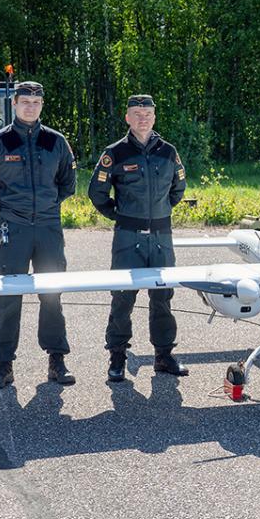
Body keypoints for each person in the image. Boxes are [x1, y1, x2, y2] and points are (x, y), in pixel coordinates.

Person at [0, 81, 78, 390]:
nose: (30, 106)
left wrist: (44, 208)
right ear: (15, 104)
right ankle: (3, 365)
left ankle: (57, 361)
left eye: (36, 102)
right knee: (9, 298)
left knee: (52, 295)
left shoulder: (56, 142)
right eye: (25, 101)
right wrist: (12, 208)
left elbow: (67, 184)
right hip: (13, 229)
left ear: (41, 105)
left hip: (47, 228)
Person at [88, 95, 188, 382]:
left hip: (161, 238)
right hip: (128, 239)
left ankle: (164, 356)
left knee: (162, 297)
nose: (142, 118)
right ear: (127, 117)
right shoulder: (115, 153)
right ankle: (117, 357)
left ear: (154, 117)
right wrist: (121, 217)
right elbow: (97, 193)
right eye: (137, 113)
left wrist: (160, 213)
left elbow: (178, 188)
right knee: (122, 298)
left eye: (147, 113)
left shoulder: (168, 152)